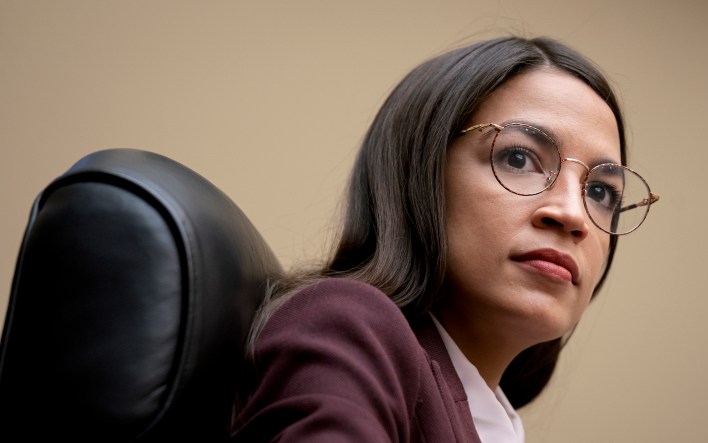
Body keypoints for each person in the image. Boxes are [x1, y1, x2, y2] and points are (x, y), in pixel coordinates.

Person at [230, 35, 659, 442]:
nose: (572, 214)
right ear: (420, 175)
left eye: (601, 192)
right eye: (517, 157)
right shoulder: (346, 324)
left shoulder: (489, 418)